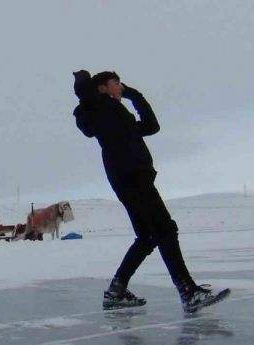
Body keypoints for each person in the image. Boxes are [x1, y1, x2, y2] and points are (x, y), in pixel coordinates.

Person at [72, 70, 229, 313]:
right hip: (131, 177)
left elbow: (152, 126)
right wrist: (83, 79)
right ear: (101, 89)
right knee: (165, 229)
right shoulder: (98, 108)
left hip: (131, 178)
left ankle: (116, 290)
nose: (121, 86)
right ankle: (188, 291)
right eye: (117, 83)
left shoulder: (118, 115)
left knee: (147, 237)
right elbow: (85, 95)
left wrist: (136, 96)